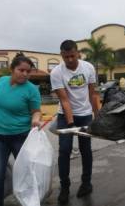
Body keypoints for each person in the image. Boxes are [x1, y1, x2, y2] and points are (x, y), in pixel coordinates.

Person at [0, 53, 42, 206]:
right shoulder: (1, 82)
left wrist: (35, 120)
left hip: (20, 137)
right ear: (12, 69)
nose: (25, 74)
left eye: (28, 71)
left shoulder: (32, 89)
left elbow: (36, 111)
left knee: (26, 175)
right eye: (21, 70)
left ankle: (30, 202)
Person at [50, 40, 99, 204]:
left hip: (85, 114)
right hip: (65, 115)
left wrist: (98, 117)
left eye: (72, 55)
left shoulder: (88, 67)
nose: (70, 60)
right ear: (61, 55)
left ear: (78, 52)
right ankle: (64, 187)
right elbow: (64, 100)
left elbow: (93, 94)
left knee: (86, 149)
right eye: (66, 57)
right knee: (64, 150)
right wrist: (70, 124)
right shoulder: (56, 72)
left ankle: (86, 183)